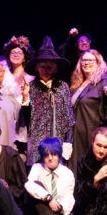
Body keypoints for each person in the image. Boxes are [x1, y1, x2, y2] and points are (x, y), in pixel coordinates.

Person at [68, 49, 107, 174]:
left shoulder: (104, 81)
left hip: (92, 133)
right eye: (84, 60)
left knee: (90, 169)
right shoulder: (78, 84)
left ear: (98, 63)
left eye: (90, 60)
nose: (86, 63)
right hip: (76, 134)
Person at [24, 36, 74, 166]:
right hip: (37, 143)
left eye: (50, 67)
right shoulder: (31, 87)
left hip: (58, 140)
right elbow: (25, 118)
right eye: (43, 67)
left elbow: (69, 116)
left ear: (55, 68)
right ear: (37, 68)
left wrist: (68, 142)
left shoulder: (62, 86)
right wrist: (24, 99)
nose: (46, 70)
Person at [25, 137, 79, 215]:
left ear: (59, 154)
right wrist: (48, 198)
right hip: (42, 207)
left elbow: (69, 197)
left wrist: (61, 208)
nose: (50, 158)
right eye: (46, 155)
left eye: (53, 154)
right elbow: (29, 185)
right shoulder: (36, 168)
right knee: (36, 185)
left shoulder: (67, 173)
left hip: (59, 210)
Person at [3, 35, 35, 158]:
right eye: (13, 52)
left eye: (19, 52)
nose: (15, 54)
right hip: (4, 120)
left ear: (25, 57)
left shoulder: (30, 78)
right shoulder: (3, 76)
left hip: (21, 124)